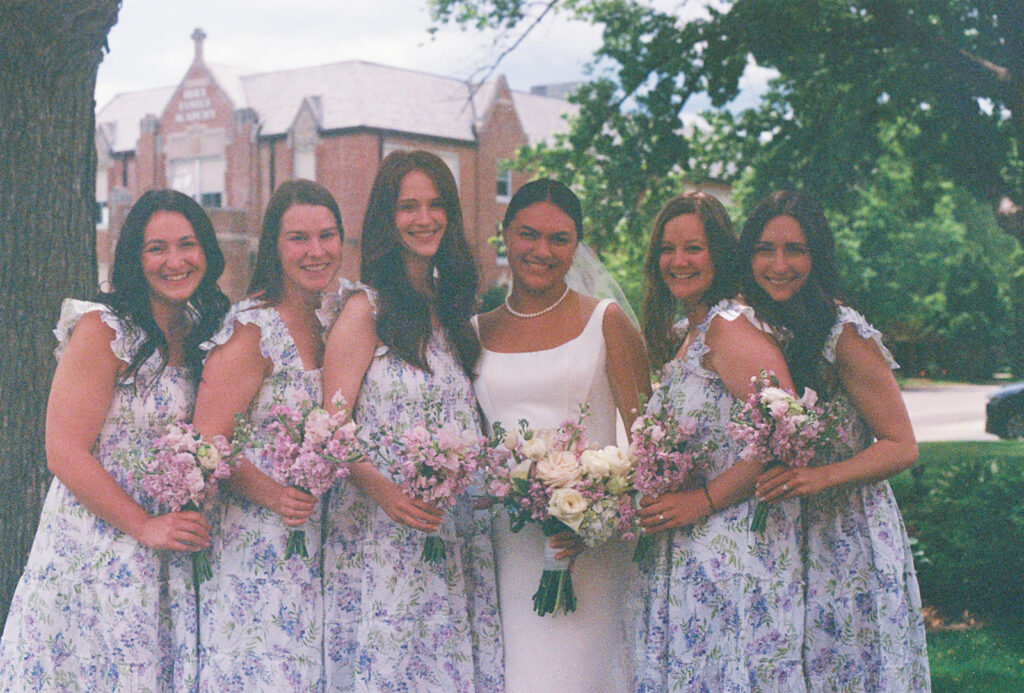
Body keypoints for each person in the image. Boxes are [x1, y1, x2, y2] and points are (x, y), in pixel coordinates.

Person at [0, 189, 229, 691]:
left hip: (167, 554)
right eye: (156, 248)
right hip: (96, 546)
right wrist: (143, 525)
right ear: (134, 258)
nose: (175, 261)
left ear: (206, 253)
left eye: (187, 244)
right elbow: (63, 451)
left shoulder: (200, 333)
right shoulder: (103, 330)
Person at [320, 150, 502, 691]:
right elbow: (329, 429)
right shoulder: (365, 310)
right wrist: (385, 492)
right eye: (408, 206)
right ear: (386, 218)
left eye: (436, 204)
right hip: (383, 534)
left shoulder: (452, 310)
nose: (425, 218)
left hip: (454, 532)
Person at [740, 190, 930, 692]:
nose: (778, 265)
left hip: (847, 536)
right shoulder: (748, 328)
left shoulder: (842, 333)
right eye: (765, 249)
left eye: (794, 250)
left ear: (816, 256)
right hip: (779, 537)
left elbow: (902, 444)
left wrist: (821, 476)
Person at [472, 178, 650, 692]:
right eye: (528, 235)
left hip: (588, 547)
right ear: (505, 235)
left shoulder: (607, 322)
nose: (542, 251)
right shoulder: (475, 331)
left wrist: (598, 511)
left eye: (560, 239)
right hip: (505, 547)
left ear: (577, 246)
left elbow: (651, 452)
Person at [632, 191, 806, 691]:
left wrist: (702, 500)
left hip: (734, 550)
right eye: (668, 248)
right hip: (689, 550)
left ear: (721, 254)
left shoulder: (728, 327)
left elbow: (784, 432)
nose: (678, 261)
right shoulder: (688, 330)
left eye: (694, 248)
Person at [190, 179, 343, 691]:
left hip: (323, 540)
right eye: (298, 237)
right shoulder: (252, 329)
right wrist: (275, 495)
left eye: (327, 235)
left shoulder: (334, 321)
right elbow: (208, 440)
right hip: (257, 541)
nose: (315, 251)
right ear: (274, 246)